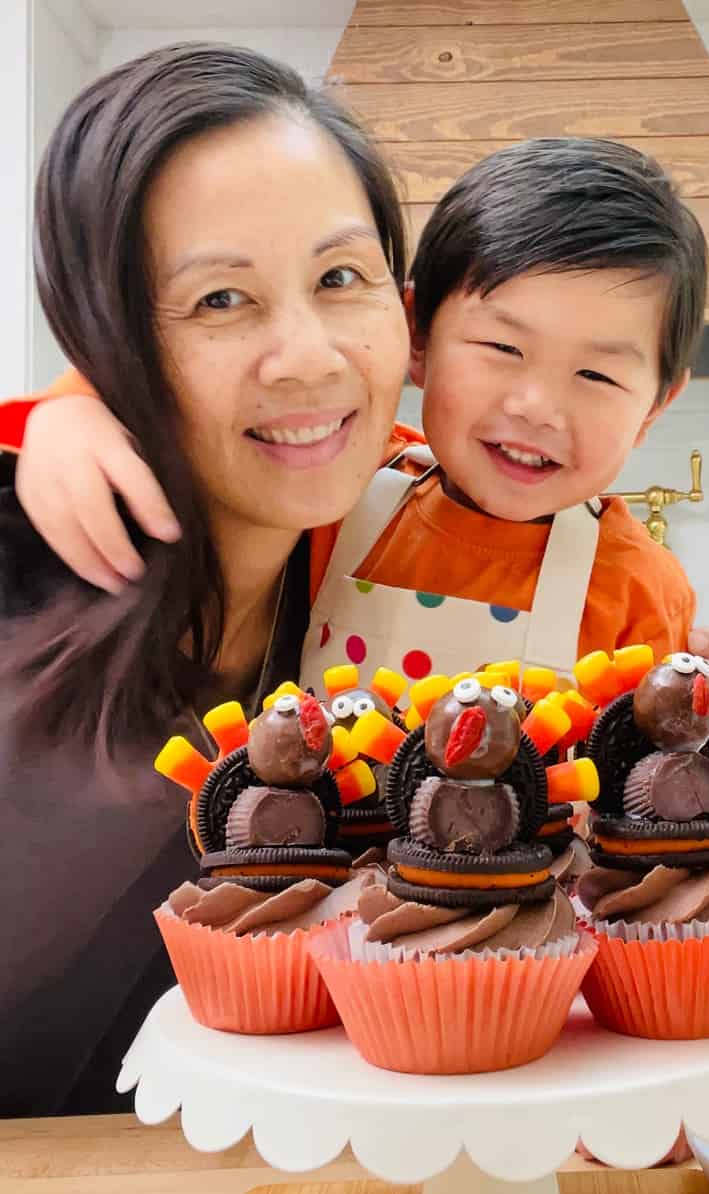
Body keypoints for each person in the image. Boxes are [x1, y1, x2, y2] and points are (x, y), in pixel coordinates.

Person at [0, 41, 413, 1118]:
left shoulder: (380, 568)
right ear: (108, 334)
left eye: (339, 278)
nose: (309, 355)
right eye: (222, 299)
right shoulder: (21, 546)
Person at [4, 139, 709, 702]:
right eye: (503, 347)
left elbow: (650, 783)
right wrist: (72, 407)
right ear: (416, 338)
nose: (535, 406)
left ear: (654, 410)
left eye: (597, 375)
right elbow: (161, 398)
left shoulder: (643, 588)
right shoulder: (346, 474)